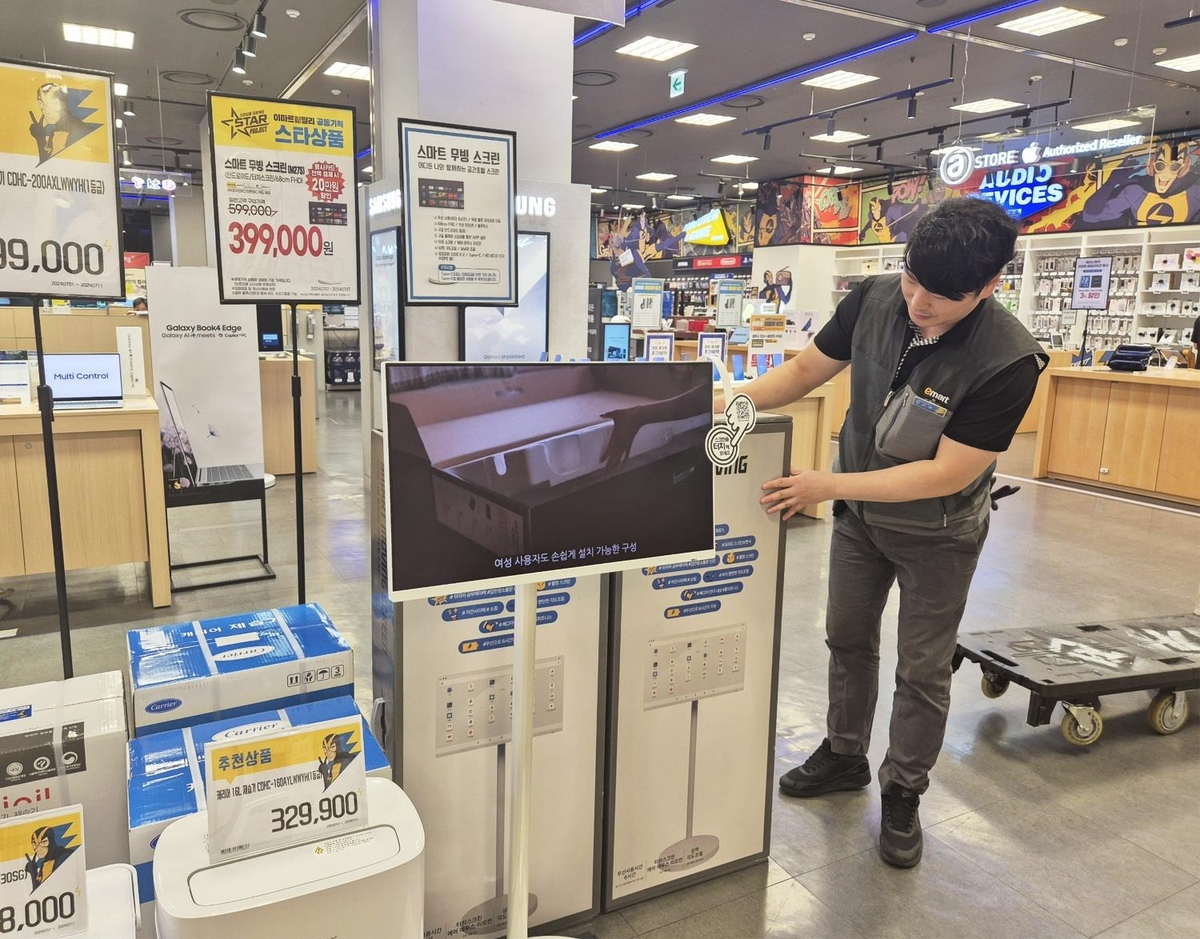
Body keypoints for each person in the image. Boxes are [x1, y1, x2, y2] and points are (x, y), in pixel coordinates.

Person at [736, 198, 1047, 869]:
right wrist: (727, 402)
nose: (918, 304)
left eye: (941, 297)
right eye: (911, 281)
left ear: (990, 286)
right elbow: (801, 372)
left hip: (940, 533)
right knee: (847, 636)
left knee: (924, 669)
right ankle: (844, 753)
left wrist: (830, 485)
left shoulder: (1009, 359)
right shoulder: (874, 299)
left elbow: (946, 473)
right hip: (860, 525)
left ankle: (903, 788)